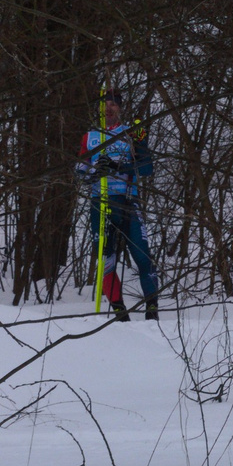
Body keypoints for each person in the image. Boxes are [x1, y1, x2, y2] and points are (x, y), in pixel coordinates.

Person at [77, 89, 159, 320]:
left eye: (114, 104)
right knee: (106, 259)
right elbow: (80, 172)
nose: (109, 108)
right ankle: (119, 313)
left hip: (127, 202)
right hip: (100, 203)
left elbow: (146, 168)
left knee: (142, 257)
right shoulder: (90, 137)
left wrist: (117, 168)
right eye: (105, 104)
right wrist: (94, 172)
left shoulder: (131, 133)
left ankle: (152, 309)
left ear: (120, 108)